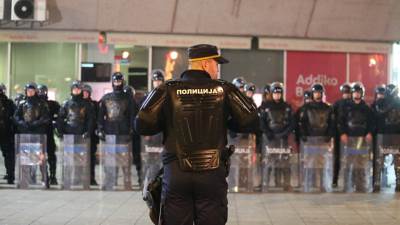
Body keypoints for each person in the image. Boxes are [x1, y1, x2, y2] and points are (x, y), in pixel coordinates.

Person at [135, 44, 259, 225]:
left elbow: (141, 125)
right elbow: (252, 121)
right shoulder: (224, 89)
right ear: (205, 64)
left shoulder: (167, 89)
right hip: (212, 173)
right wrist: (227, 121)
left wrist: (167, 122)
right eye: (216, 64)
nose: (217, 69)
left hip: (176, 172)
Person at [98, 72, 138, 189]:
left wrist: (132, 130)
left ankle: (127, 181)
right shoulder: (106, 98)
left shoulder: (129, 98)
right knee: (110, 159)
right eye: (115, 81)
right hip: (110, 132)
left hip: (124, 132)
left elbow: (132, 116)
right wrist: (100, 129)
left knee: (125, 158)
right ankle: (110, 181)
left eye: (119, 81)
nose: (117, 83)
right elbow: (101, 116)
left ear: (122, 82)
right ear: (112, 82)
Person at [57, 81, 94, 188]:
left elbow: (90, 120)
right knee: (68, 158)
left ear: (81, 90)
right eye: (75, 89)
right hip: (69, 134)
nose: (76, 91)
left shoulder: (87, 104)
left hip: (81, 135)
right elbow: (60, 118)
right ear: (71, 90)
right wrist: (60, 131)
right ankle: (67, 178)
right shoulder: (66, 103)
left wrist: (88, 131)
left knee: (79, 159)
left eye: (78, 89)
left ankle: (78, 179)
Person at [338, 82, 374, 192]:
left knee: (361, 163)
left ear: (362, 94)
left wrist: (369, 133)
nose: (356, 94)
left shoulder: (366, 108)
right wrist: (342, 133)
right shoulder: (345, 107)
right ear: (352, 93)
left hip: (362, 140)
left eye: (358, 92)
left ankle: (360, 185)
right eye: (354, 92)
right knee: (348, 163)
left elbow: (372, 123)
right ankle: (347, 185)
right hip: (349, 139)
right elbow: (340, 121)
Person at [299, 83, 335, 192]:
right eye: (315, 93)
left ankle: (323, 185)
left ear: (322, 94)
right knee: (309, 163)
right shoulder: (306, 108)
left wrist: (329, 135)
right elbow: (302, 123)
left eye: (319, 92)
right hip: (310, 139)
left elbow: (332, 123)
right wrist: (303, 135)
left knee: (323, 163)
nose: (317, 95)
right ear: (312, 94)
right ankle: (308, 184)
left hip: (323, 139)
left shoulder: (328, 108)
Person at [14, 82, 51, 187]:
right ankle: (24, 180)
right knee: (24, 158)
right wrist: (22, 123)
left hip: (38, 134)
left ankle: (45, 179)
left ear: (35, 91)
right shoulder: (22, 104)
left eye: (32, 90)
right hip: (25, 134)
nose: (30, 92)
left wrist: (36, 123)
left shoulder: (41, 103)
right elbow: (16, 117)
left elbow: (46, 117)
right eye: (28, 91)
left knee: (41, 158)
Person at [260, 82, 294, 191]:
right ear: (272, 94)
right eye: (275, 93)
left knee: (284, 161)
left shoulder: (287, 106)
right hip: (269, 138)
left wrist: (285, 134)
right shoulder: (265, 106)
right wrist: (268, 133)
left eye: (279, 93)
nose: (277, 95)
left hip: (282, 138)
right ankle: (265, 184)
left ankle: (286, 184)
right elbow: (262, 122)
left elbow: (291, 123)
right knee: (268, 161)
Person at [37, 84, 61, 185]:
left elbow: (60, 115)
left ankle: (52, 176)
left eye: (43, 91)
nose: (42, 93)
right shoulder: (35, 104)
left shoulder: (52, 104)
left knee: (51, 155)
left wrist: (55, 123)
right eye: (40, 91)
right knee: (41, 156)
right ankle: (44, 175)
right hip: (39, 133)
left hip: (49, 132)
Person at [332, 83, 352, 187]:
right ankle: (335, 180)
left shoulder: (353, 104)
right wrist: (339, 133)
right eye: (344, 92)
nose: (346, 94)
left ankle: (349, 180)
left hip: (352, 135)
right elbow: (334, 119)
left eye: (348, 92)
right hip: (338, 135)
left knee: (351, 157)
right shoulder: (337, 104)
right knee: (337, 157)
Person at [82, 83, 99, 185]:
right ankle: (79, 177)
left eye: (86, 92)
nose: (84, 94)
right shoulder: (77, 103)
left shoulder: (94, 104)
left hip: (91, 135)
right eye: (83, 92)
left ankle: (91, 178)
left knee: (91, 158)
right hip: (79, 134)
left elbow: (96, 119)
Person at [0, 84, 16, 184]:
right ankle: (10, 175)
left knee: (9, 155)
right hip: (6, 132)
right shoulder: (9, 103)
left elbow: (14, 117)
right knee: (9, 155)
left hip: (6, 132)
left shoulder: (9, 103)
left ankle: (10, 175)